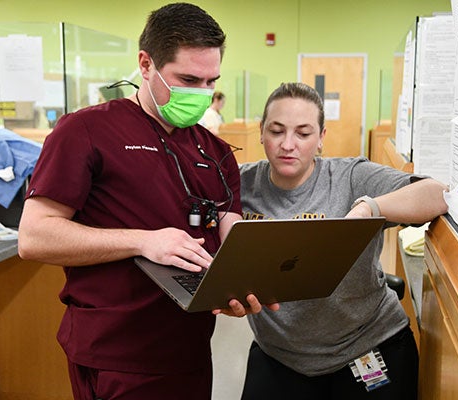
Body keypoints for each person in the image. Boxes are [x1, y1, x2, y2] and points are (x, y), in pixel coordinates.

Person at [17, 3, 275, 399]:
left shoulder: (216, 151)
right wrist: (144, 240)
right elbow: (34, 237)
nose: (202, 94)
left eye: (211, 82)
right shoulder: (85, 131)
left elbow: (228, 225)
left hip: (188, 350)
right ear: (146, 64)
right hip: (116, 353)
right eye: (189, 79)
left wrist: (251, 274)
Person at [239, 82, 449, 399]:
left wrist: (369, 209)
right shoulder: (240, 182)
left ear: (321, 138)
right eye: (277, 131)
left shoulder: (350, 176)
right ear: (261, 132)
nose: (288, 144)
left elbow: (437, 194)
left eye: (303, 133)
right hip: (282, 354)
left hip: (366, 344)